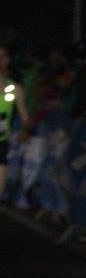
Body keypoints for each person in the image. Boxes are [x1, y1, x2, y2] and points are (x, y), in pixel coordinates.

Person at [0, 45, 30, 202]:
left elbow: (24, 116)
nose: (1, 60)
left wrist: (25, 130)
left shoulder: (15, 88)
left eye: (4, 56)